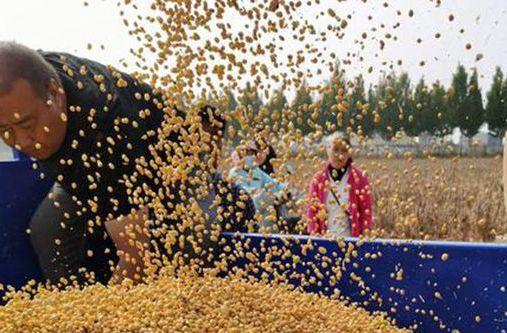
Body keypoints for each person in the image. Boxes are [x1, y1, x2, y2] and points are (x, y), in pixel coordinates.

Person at [0, 41, 254, 285]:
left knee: (191, 236)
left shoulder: (106, 129)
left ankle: (230, 201)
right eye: (4, 130)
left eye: (27, 125)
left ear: (55, 94)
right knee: (47, 229)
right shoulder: (31, 72)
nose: (19, 141)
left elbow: (135, 256)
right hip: (87, 166)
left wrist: (104, 320)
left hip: (174, 163)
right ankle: (70, 301)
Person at [306, 132, 373, 238]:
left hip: (351, 241)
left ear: (349, 153)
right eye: (335, 150)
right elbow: (311, 211)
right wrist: (314, 237)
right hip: (324, 240)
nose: (340, 155)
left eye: (344, 151)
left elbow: (366, 210)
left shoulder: (359, 179)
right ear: (328, 150)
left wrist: (365, 234)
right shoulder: (318, 180)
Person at [229, 143, 292, 232]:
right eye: (248, 154)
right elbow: (246, 193)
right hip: (246, 217)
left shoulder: (256, 171)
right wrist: (268, 196)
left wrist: (284, 189)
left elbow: (271, 183)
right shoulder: (235, 173)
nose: (251, 157)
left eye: (252, 154)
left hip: (263, 215)